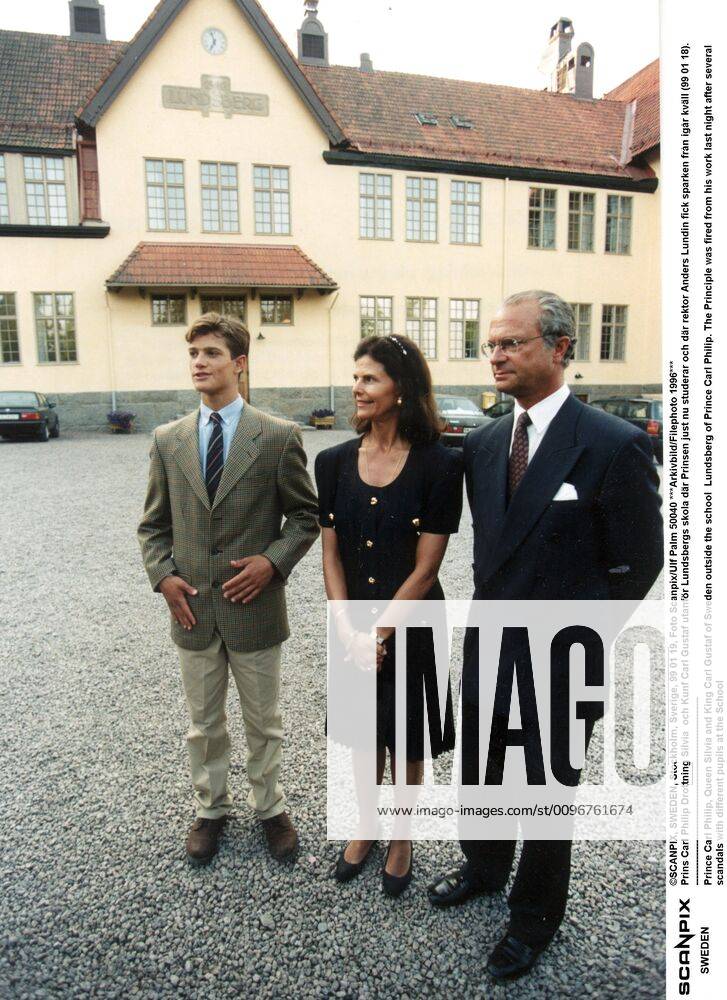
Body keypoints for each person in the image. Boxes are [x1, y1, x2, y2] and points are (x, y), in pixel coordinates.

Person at [427, 291, 663, 979]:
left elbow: (639, 561)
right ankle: (483, 864)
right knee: (483, 771)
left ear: (560, 348)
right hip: (491, 645)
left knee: (544, 792)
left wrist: (582, 639)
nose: (494, 354)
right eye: (489, 344)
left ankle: (533, 919)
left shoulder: (612, 444)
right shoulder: (485, 443)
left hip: (561, 659)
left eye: (511, 343)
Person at [138, 312, 318, 865]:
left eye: (211, 353)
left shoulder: (278, 436)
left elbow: (307, 517)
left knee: (264, 721)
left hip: (255, 609)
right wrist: (163, 576)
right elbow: (153, 525)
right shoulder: (168, 440)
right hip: (192, 610)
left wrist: (272, 561)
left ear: (239, 363)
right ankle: (211, 808)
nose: (199, 363)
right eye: (193, 353)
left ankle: (271, 808)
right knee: (203, 723)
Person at [315, 334, 463, 896]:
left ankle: (401, 836)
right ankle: (367, 823)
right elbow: (330, 553)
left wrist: (378, 632)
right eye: (356, 377)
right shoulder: (330, 463)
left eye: (370, 378)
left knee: (406, 734)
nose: (357, 387)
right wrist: (349, 630)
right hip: (350, 625)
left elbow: (427, 569)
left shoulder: (440, 466)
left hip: (413, 622)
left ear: (402, 388)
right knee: (360, 732)